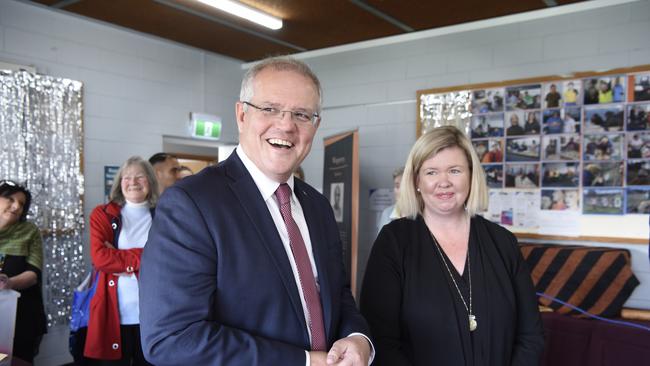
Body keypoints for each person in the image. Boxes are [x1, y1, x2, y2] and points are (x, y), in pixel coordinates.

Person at [139, 56, 372, 366]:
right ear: (241, 115)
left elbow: (337, 295)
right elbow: (172, 338)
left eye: (302, 114)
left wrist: (359, 339)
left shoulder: (318, 206)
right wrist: (305, 362)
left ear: (315, 126)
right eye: (270, 109)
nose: (286, 125)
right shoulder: (192, 204)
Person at [360, 126, 544, 366]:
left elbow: (531, 335)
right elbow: (381, 340)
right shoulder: (394, 241)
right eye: (431, 172)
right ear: (417, 180)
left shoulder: (502, 241)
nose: (443, 182)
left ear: (471, 176)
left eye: (454, 171)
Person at [85, 156, 159, 364]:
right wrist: (147, 258)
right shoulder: (102, 214)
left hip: (155, 314)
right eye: (127, 177)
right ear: (119, 183)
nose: (133, 182)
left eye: (140, 177)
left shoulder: (166, 214)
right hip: (114, 312)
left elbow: (172, 258)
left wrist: (120, 260)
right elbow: (100, 259)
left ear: (150, 182)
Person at [0, 180, 47, 363]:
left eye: (21, 204)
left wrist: (9, 283)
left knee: (18, 360)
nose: (16, 206)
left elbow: (34, 273)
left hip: (22, 315)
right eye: (10, 199)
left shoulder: (29, 231)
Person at [377, 167, 404, 235]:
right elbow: (380, 243)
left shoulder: (423, 213)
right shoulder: (387, 213)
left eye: (404, 186)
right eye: (397, 186)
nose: (399, 191)